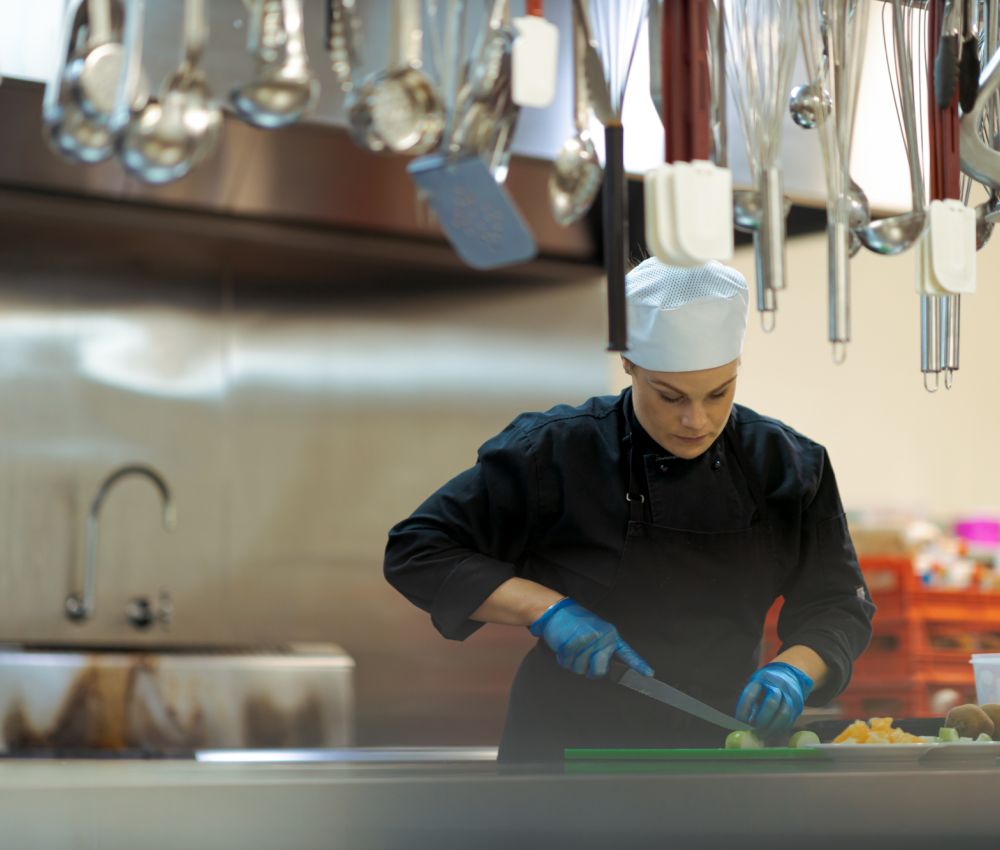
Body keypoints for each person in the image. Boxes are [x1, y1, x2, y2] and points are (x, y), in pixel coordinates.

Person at [383, 258, 875, 763]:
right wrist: (546, 610)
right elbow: (418, 549)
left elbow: (837, 604)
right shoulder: (553, 452)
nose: (696, 420)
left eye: (719, 393)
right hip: (565, 754)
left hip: (723, 746)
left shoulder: (787, 465)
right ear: (630, 364)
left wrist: (794, 669)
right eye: (670, 396)